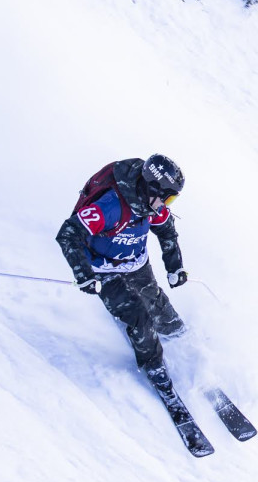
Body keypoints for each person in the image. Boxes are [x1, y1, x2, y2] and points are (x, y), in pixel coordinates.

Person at [55, 154, 189, 392]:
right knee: (139, 317)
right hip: (101, 269)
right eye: (167, 199)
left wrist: (174, 266)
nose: (165, 206)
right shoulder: (111, 206)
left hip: (134, 262)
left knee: (155, 301)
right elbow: (67, 233)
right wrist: (84, 273)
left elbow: (167, 231)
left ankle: (181, 338)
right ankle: (154, 365)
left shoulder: (152, 205)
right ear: (153, 188)